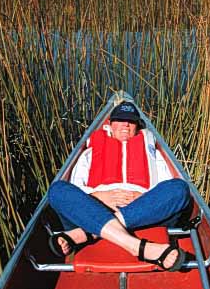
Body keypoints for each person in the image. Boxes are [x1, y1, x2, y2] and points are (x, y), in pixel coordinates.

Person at [48, 101, 192, 271]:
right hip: (95, 208)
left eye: (131, 121)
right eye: (120, 119)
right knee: (57, 190)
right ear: (110, 124)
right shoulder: (90, 153)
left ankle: (87, 233)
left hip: (142, 212)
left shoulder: (152, 153)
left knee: (180, 189)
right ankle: (137, 246)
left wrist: (143, 199)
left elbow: (166, 185)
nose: (125, 124)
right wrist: (99, 197)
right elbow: (76, 186)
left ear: (137, 127)